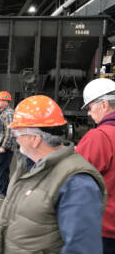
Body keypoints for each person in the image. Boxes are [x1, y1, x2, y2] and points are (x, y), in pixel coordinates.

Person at [0, 95, 106, 254]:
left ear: (36, 139)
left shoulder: (77, 184)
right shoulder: (29, 167)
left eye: (18, 131)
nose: (15, 136)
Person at [76, 78, 115, 254]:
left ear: (104, 105)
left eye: (90, 108)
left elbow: (74, 180)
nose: (89, 114)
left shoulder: (99, 136)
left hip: (105, 229)